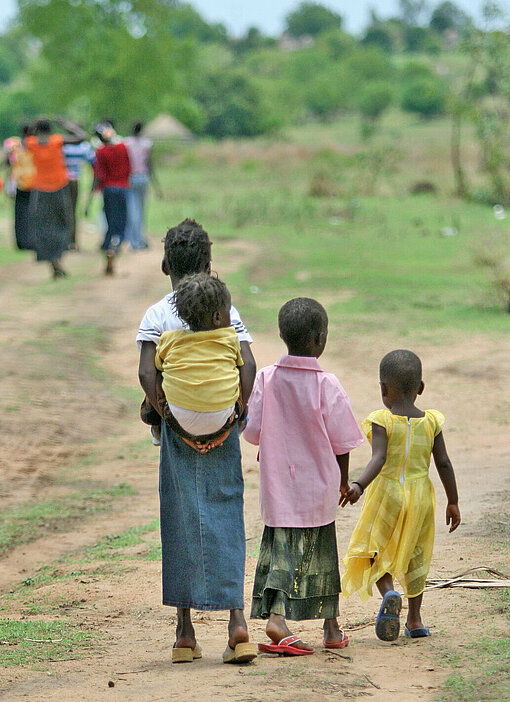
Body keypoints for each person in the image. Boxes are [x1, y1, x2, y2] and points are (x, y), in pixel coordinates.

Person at [137, 218, 258, 664]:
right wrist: (238, 409)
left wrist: (162, 408)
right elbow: (248, 363)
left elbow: (148, 371)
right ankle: (238, 625)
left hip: (177, 429)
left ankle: (185, 632)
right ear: (209, 263)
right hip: (224, 425)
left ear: (166, 263)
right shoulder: (225, 309)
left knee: (181, 513)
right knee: (226, 508)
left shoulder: (156, 313)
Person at [244, 298, 363, 655]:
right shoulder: (327, 384)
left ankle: (279, 616)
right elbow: (343, 442)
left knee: (281, 551)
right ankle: (329, 627)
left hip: (278, 485)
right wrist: (343, 481)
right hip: (318, 488)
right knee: (322, 553)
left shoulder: (267, 377)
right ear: (320, 340)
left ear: (282, 335)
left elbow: (253, 432)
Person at [341, 349, 461, 641]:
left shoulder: (383, 420)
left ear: (383, 388)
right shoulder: (432, 422)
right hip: (420, 495)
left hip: (387, 493)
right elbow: (443, 462)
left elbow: (378, 458)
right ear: (420, 388)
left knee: (373, 549)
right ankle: (415, 619)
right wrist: (453, 501)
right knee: (416, 555)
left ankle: (389, 593)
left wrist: (358, 485)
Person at [152, 272, 249, 452]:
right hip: (223, 417)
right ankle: (239, 419)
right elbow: (241, 364)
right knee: (236, 370)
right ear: (217, 317)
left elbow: (157, 366)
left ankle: (155, 425)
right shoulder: (230, 337)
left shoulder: (169, 339)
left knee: (157, 375)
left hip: (179, 419)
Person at [25, 118, 74, 279]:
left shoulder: (31, 143)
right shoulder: (57, 140)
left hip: (40, 190)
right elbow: (81, 137)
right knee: (62, 223)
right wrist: (64, 123)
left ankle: (53, 261)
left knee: (42, 226)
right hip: (59, 188)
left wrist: (34, 125)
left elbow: (26, 136)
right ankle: (58, 258)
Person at [87, 123, 131, 275]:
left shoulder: (100, 152)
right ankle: (116, 244)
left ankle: (108, 244)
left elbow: (99, 175)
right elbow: (129, 167)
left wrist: (90, 196)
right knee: (122, 218)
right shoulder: (123, 147)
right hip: (122, 187)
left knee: (110, 218)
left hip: (107, 189)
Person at [124, 121, 161, 250]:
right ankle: (139, 239)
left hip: (130, 177)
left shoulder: (126, 143)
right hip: (143, 178)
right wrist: (156, 186)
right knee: (140, 210)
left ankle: (134, 240)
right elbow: (149, 165)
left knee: (132, 210)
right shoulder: (147, 144)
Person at [60, 117, 95, 250]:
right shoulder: (84, 147)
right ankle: (72, 241)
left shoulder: (62, 144)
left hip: (62, 181)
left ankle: (64, 240)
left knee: (63, 211)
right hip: (74, 181)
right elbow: (93, 162)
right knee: (72, 211)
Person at [3, 124, 35, 250]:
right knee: (32, 213)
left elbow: (8, 164)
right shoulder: (36, 146)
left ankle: (21, 242)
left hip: (19, 183)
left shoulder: (15, 146)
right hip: (33, 183)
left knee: (20, 214)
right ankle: (32, 241)